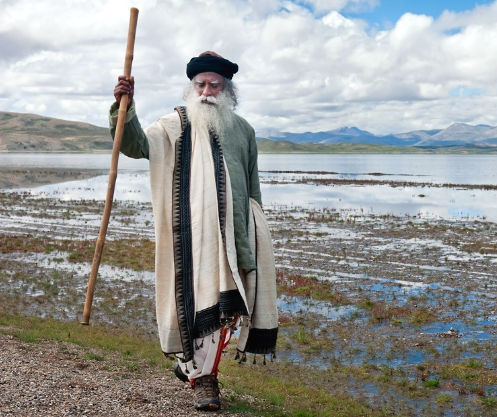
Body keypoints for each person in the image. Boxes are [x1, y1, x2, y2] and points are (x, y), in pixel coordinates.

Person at [110, 51, 278, 411]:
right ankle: (204, 380)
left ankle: (188, 365)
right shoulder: (175, 125)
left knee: (231, 310)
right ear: (192, 87)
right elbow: (136, 144)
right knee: (205, 307)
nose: (206, 91)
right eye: (200, 84)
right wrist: (125, 105)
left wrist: (256, 236)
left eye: (214, 85)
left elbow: (252, 188)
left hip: (237, 235)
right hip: (194, 237)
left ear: (227, 89)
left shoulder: (244, 130)